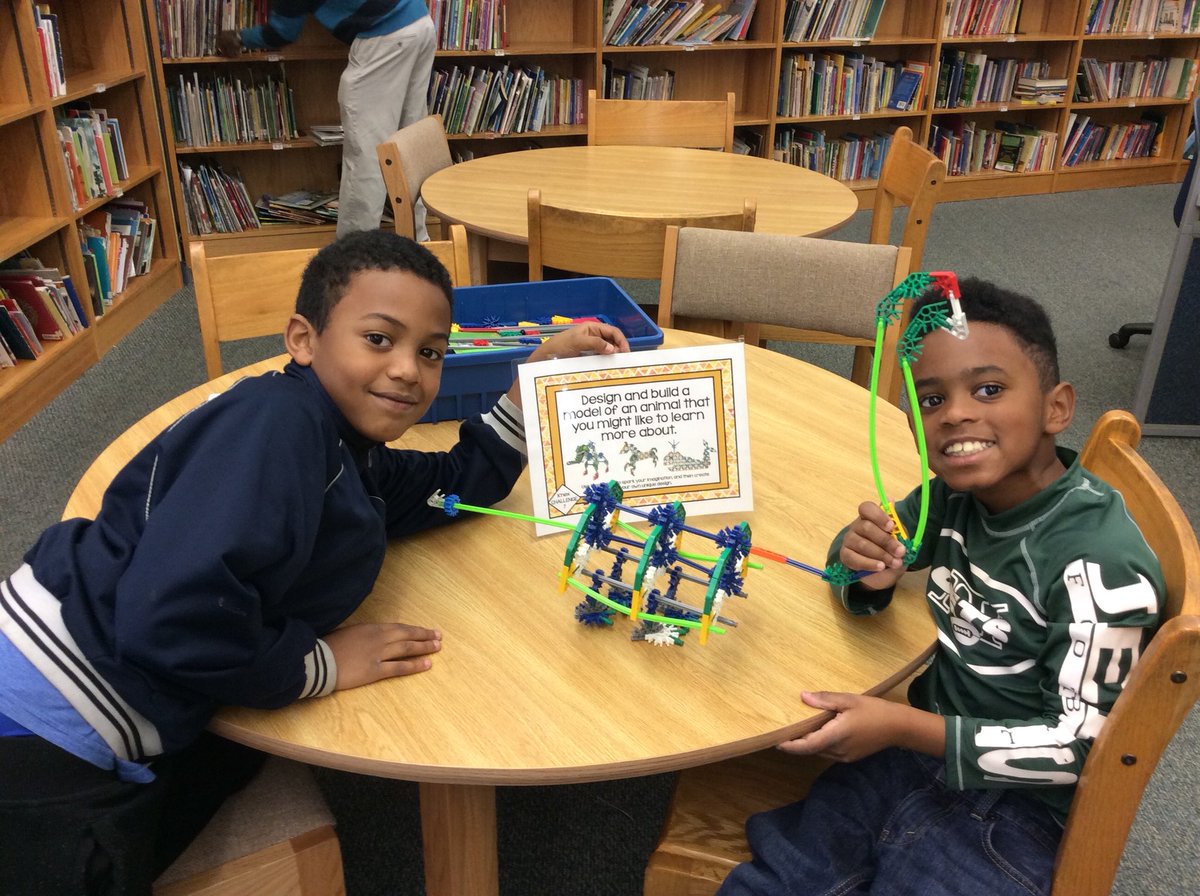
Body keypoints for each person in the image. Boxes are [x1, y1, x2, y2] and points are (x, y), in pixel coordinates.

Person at [0, 230, 629, 894]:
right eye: (379, 339)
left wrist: (529, 385)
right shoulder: (279, 427)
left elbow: (448, 490)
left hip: (98, 704)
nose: (409, 370)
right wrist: (319, 664)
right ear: (303, 339)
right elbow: (169, 617)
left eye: (431, 352)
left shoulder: (343, 444)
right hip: (44, 720)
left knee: (229, 758)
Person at [718, 278, 1164, 896]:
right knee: (777, 877)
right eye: (930, 400)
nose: (955, 412)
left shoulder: (1099, 564)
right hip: (911, 757)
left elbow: (1080, 750)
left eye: (988, 389)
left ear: (1056, 408)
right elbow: (851, 563)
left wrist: (902, 728)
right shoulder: (952, 496)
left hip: (1015, 812)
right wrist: (861, 563)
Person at [217, 1, 437, 239]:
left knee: (367, 157)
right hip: (420, 21)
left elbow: (282, 32)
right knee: (409, 144)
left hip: (384, 37)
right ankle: (418, 242)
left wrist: (240, 37)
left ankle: (354, 258)